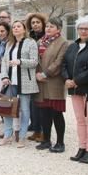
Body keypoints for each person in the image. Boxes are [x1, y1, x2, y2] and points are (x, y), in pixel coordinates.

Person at [61, 15, 88, 164]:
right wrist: (66, 79)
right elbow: (64, 64)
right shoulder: (73, 46)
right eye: (81, 28)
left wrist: (76, 80)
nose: (83, 31)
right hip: (74, 89)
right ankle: (81, 147)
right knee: (79, 120)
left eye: (87, 28)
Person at [0, 20, 39, 148]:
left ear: (24, 29)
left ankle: (22, 137)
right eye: (14, 27)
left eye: (18, 26)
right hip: (10, 81)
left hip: (25, 81)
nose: (15, 28)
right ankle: (7, 135)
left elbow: (34, 62)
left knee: (25, 110)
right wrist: (4, 76)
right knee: (6, 108)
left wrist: (20, 61)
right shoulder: (10, 44)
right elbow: (4, 61)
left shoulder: (31, 42)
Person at [35, 17, 68, 152]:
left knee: (56, 114)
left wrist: (45, 74)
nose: (48, 29)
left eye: (52, 26)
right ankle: (46, 140)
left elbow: (59, 62)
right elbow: (36, 60)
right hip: (41, 82)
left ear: (58, 29)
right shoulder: (39, 42)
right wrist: (37, 74)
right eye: (47, 26)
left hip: (54, 82)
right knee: (44, 113)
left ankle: (60, 143)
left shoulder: (63, 43)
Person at [26, 12, 47, 142]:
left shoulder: (47, 37)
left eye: (38, 22)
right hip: (31, 73)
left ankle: (44, 131)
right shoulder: (29, 38)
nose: (35, 25)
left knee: (43, 104)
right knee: (33, 103)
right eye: (33, 23)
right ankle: (36, 129)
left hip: (42, 73)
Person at [0, 21, 14, 139]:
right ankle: (7, 129)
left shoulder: (11, 43)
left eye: (2, 31)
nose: (0, 33)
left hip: (9, 75)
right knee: (2, 102)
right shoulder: (0, 44)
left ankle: (12, 130)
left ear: (7, 31)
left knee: (10, 102)